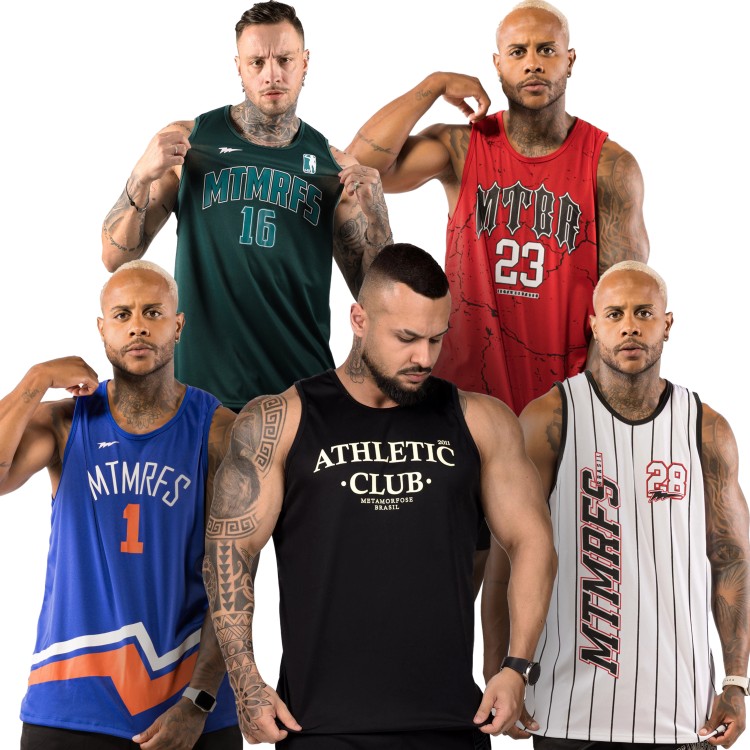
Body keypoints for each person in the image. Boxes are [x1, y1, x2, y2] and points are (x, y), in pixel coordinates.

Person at [347, 0, 649, 671]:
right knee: (452, 560)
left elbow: (627, 298)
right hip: (462, 393)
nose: (533, 64)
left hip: (559, 402)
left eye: (546, 50)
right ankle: (441, 698)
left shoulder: (608, 166)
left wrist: (617, 415)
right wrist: (431, 85)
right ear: (497, 64)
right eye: (518, 52)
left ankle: (522, 693)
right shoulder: (465, 146)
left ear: (570, 60)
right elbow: (358, 166)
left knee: (552, 566)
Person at [203, 243, 557, 748]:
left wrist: (516, 667)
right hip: (318, 728)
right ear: (359, 320)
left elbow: (533, 541)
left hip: (449, 725)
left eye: (436, 339)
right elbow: (229, 549)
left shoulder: (481, 420)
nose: (424, 358)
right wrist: (245, 680)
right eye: (407, 338)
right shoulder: (281, 420)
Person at [101, 1, 392, 413]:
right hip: (202, 399)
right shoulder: (189, 143)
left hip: (302, 398)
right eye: (257, 62)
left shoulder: (334, 167)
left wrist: (379, 218)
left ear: (305, 63)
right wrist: (140, 176)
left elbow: (380, 302)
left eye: (284, 59)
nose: (272, 74)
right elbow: (115, 256)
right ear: (238, 67)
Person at [0, 260, 241, 749]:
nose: (137, 326)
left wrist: (199, 700)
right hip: (68, 706)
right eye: (122, 314)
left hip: (187, 711)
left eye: (153, 312)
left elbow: (235, 580)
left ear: (178, 325)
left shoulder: (218, 430)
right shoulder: (67, 423)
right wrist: (37, 377)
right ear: (102, 328)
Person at [517, 260, 749, 748]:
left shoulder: (706, 429)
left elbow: (733, 559)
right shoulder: (548, 418)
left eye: (644, 313)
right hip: (564, 714)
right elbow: (510, 553)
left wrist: (736, 681)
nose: (630, 326)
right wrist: (505, 668)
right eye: (615, 313)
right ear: (593, 324)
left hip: (684, 716)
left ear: (667, 324)